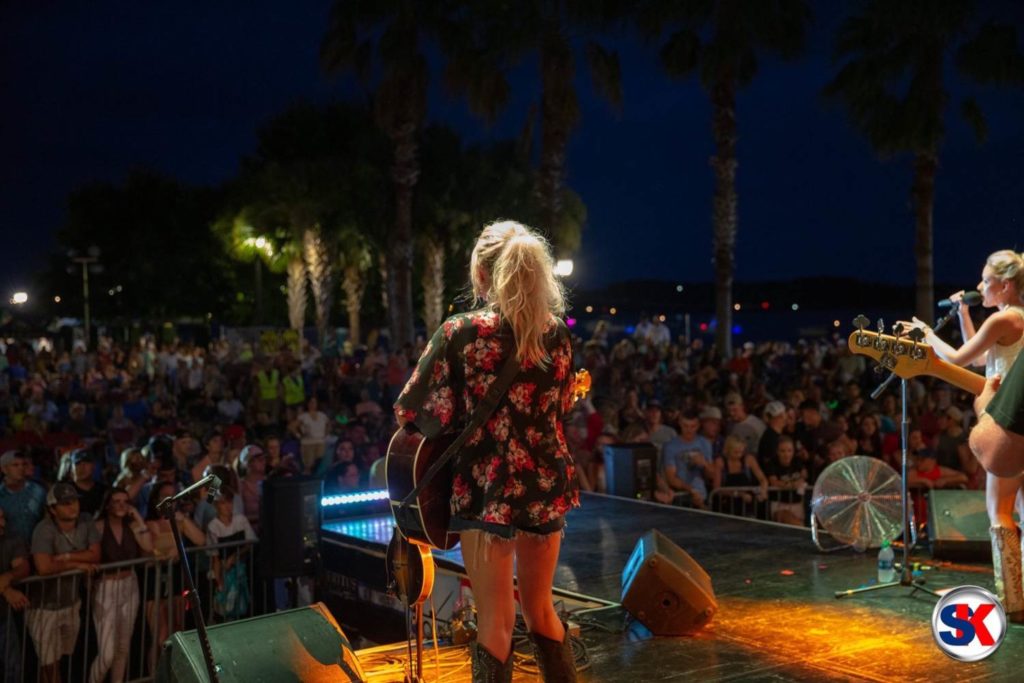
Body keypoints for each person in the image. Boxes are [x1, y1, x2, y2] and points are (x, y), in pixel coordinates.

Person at [394, 221, 578, 682]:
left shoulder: (461, 332)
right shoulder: (554, 332)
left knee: (495, 622)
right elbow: (560, 408)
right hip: (545, 483)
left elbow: (411, 412)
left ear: (482, 274)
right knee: (542, 611)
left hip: (487, 488)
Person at [902, 249, 1024, 622]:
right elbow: (976, 360)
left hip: (1005, 423)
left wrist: (925, 335)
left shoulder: (1006, 319)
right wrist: (964, 314)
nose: (978, 286)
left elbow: (955, 360)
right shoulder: (1013, 320)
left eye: (985, 281)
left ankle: (1013, 599)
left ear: (1004, 286)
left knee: (998, 510)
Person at [28, 483, 101, 683]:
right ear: (52, 508)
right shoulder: (43, 529)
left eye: (75, 501)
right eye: (65, 503)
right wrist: (78, 563)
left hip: (71, 602)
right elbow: (43, 567)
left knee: (61, 659)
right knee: (48, 663)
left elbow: (95, 555)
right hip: (44, 607)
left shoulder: (85, 521)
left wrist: (64, 558)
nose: (73, 506)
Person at [90, 487, 153, 683]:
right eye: (116, 501)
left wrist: (138, 519)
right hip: (106, 587)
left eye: (125, 501)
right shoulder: (99, 527)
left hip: (130, 584)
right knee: (107, 652)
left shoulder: (132, 526)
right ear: (108, 504)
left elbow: (149, 547)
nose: (121, 505)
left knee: (123, 648)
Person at [1, 506, 31, 683]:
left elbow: (23, 567)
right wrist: (6, 590)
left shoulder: (11, 540)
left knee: (13, 669)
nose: (2, 524)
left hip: (3, 618)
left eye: (3, 518)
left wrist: (7, 577)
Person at [0, 449, 47, 543]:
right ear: (4, 469)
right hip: (8, 550)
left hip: (37, 545)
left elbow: (47, 519)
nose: (21, 468)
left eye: (23, 464)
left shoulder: (38, 491)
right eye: (15, 465)